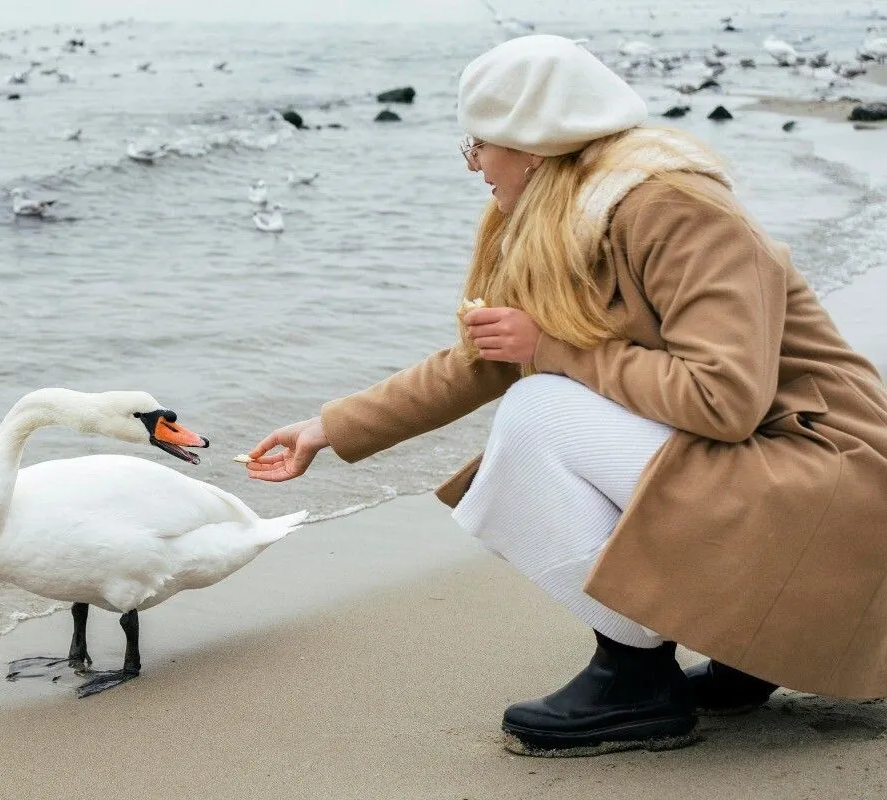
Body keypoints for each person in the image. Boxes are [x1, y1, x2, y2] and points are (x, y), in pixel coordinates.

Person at [245, 34, 887, 758]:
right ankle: (750, 642)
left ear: (534, 143)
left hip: (836, 482)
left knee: (539, 408)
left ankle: (635, 674)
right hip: (775, 475)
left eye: (481, 141)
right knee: (542, 395)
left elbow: (724, 400)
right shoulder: (571, 217)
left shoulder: (677, 210)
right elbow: (485, 359)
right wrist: (327, 428)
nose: (475, 163)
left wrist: (552, 352)